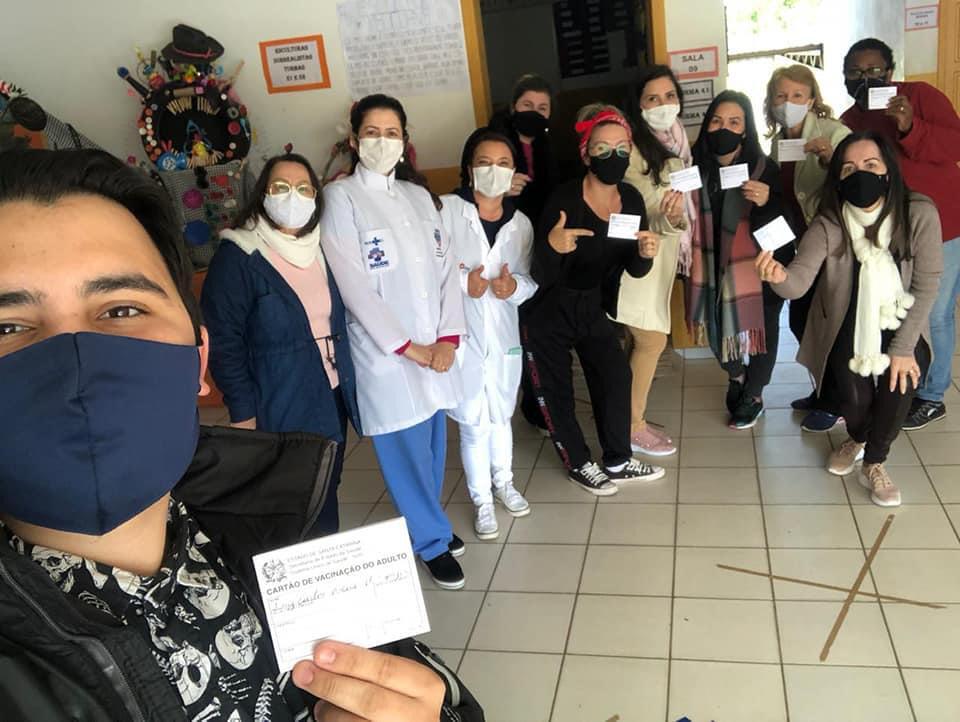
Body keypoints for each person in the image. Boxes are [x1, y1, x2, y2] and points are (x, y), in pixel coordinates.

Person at [0, 148, 448, 721]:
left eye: (122, 310)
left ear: (196, 357)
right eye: (7, 326)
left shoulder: (276, 529)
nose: (76, 359)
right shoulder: (243, 256)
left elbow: (421, 688)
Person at [319, 94, 467, 590]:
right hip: (388, 353)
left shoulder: (419, 197)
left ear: (405, 141)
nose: (382, 142)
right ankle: (431, 541)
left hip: (435, 347)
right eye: (372, 132)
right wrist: (408, 347)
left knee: (431, 445)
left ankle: (430, 524)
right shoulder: (340, 198)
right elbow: (353, 284)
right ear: (354, 139)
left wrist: (447, 339)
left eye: (392, 133)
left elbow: (446, 272)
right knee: (404, 452)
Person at [757, 131, 943, 506]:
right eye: (849, 169)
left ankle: (874, 461)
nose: (861, 174)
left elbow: (926, 285)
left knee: (899, 385)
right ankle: (857, 436)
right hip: (845, 324)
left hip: (902, 322)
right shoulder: (829, 223)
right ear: (838, 178)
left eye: (871, 165)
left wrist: (904, 348)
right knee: (854, 402)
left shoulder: (918, 213)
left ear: (888, 171)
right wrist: (778, 277)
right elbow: (797, 283)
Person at [201, 151, 360, 537]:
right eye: (281, 187)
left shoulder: (321, 248)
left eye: (304, 188)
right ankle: (306, 564)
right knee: (296, 494)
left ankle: (325, 555)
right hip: (280, 398)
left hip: (332, 392)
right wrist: (243, 411)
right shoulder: (239, 256)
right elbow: (224, 341)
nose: (293, 197)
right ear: (262, 194)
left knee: (328, 482)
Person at [522, 105, 665, 496]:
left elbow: (633, 269)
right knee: (558, 390)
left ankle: (618, 460)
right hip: (547, 307)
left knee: (614, 376)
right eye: (602, 149)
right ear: (586, 154)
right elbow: (539, 272)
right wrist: (553, 247)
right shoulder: (564, 199)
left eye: (621, 148)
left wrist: (645, 254)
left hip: (591, 303)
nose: (612, 156)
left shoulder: (631, 200)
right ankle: (578, 462)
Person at [840, 37, 960, 431]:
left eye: (874, 70)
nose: (865, 78)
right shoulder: (850, 120)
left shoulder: (920, 96)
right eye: (855, 72)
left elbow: (955, 144)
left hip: (942, 225)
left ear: (890, 72)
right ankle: (900, 383)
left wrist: (910, 125)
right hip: (886, 235)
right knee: (897, 309)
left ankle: (932, 395)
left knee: (934, 313)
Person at [440, 128, 536, 540]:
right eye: (484, 162)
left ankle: (505, 483)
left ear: (514, 172)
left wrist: (512, 288)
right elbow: (427, 272)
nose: (493, 170)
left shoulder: (521, 224)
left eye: (503, 163)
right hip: (462, 336)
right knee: (473, 424)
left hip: (503, 336)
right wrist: (466, 284)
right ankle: (481, 500)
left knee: (501, 416)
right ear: (468, 168)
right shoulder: (445, 211)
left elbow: (529, 281)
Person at [688, 90, 792, 430]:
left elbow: (787, 224)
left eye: (734, 122)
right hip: (710, 268)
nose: (724, 128)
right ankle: (736, 374)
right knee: (717, 328)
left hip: (759, 269)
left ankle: (755, 393)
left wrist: (768, 201)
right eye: (717, 121)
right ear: (707, 125)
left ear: (746, 130)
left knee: (762, 331)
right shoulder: (693, 170)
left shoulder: (764, 168)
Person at [764, 64, 852, 433]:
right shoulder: (778, 143)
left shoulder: (834, 132)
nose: (789, 103)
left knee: (832, 323)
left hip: (832, 243)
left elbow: (858, 180)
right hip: (798, 246)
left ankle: (838, 402)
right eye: (781, 96)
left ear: (812, 99)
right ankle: (822, 392)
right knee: (801, 321)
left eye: (797, 95)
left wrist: (831, 159)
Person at [617, 66, 694, 457]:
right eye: (652, 98)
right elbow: (628, 209)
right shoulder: (628, 149)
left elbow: (676, 213)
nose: (663, 105)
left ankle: (625, 419)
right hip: (634, 260)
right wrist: (667, 215)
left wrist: (675, 217)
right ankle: (632, 426)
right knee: (651, 340)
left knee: (641, 341)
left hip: (661, 259)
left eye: (669, 96)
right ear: (638, 105)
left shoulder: (679, 148)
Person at [488, 73, 560, 435]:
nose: (535, 112)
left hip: (544, 247)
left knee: (542, 329)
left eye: (543, 107)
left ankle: (540, 404)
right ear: (513, 106)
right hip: (507, 250)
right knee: (516, 330)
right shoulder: (493, 143)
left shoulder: (552, 144)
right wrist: (502, 189)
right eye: (527, 105)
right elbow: (471, 191)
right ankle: (519, 402)